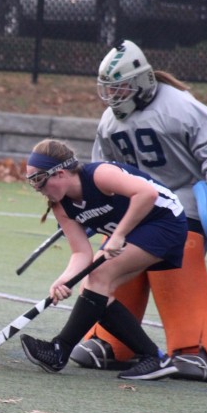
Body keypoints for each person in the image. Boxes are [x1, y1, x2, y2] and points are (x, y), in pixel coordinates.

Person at [69, 40, 207, 381]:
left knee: (176, 257)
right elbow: (101, 168)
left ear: (142, 81)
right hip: (138, 205)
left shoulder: (181, 107)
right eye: (109, 88)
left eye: (121, 86)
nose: (114, 94)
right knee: (111, 262)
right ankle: (113, 341)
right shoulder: (110, 121)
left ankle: (196, 347)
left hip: (183, 200)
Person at [19, 139, 187, 381]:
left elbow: (146, 193)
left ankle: (60, 350)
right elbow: (81, 253)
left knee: (99, 277)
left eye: (40, 179)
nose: (38, 188)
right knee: (94, 289)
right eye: (33, 181)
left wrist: (117, 235)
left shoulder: (100, 175)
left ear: (61, 173)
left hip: (164, 221)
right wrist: (65, 278)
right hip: (134, 230)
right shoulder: (62, 207)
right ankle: (154, 358)